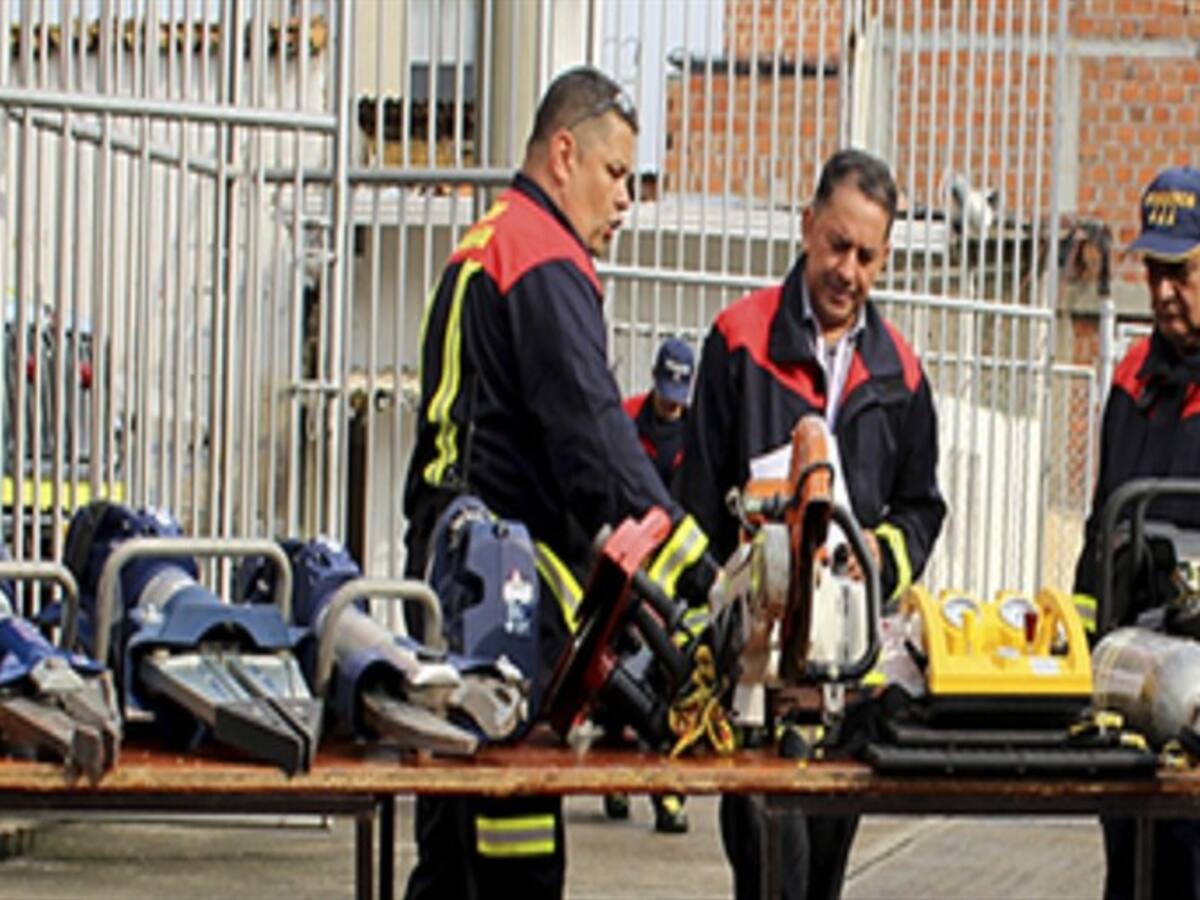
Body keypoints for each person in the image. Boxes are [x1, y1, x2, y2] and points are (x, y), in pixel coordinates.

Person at [401, 66, 716, 900]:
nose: (625, 200)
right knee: (514, 851)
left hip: (451, 576)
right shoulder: (542, 256)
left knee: (448, 847)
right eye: (616, 175)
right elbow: (593, 441)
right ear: (564, 152)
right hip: (503, 603)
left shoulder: (486, 238)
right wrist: (696, 573)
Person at [675, 148, 946, 900]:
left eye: (866, 256)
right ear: (806, 226)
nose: (848, 271)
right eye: (837, 245)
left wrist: (877, 561)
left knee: (820, 883)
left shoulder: (902, 373)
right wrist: (721, 626)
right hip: (756, 683)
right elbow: (694, 502)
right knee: (769, 877)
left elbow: (923, 506)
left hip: (849, 683)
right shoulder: (739, 339)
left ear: (885, 257)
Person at [1072, 165, 1200, 900]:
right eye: (1154, 271)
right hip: (1131, 714)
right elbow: (1101, 540)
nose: (1161, 292)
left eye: (1180, 272)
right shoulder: (1130, 384)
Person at [603, 336, 696, 834]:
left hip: (673, 578)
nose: (669, 404)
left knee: (672, 682)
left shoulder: (697, 435)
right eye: (665, 392)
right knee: (617, 679)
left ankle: (668, 794)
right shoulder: (628, 419)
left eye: (678, 396)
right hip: (626, 563)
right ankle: (616, 778)